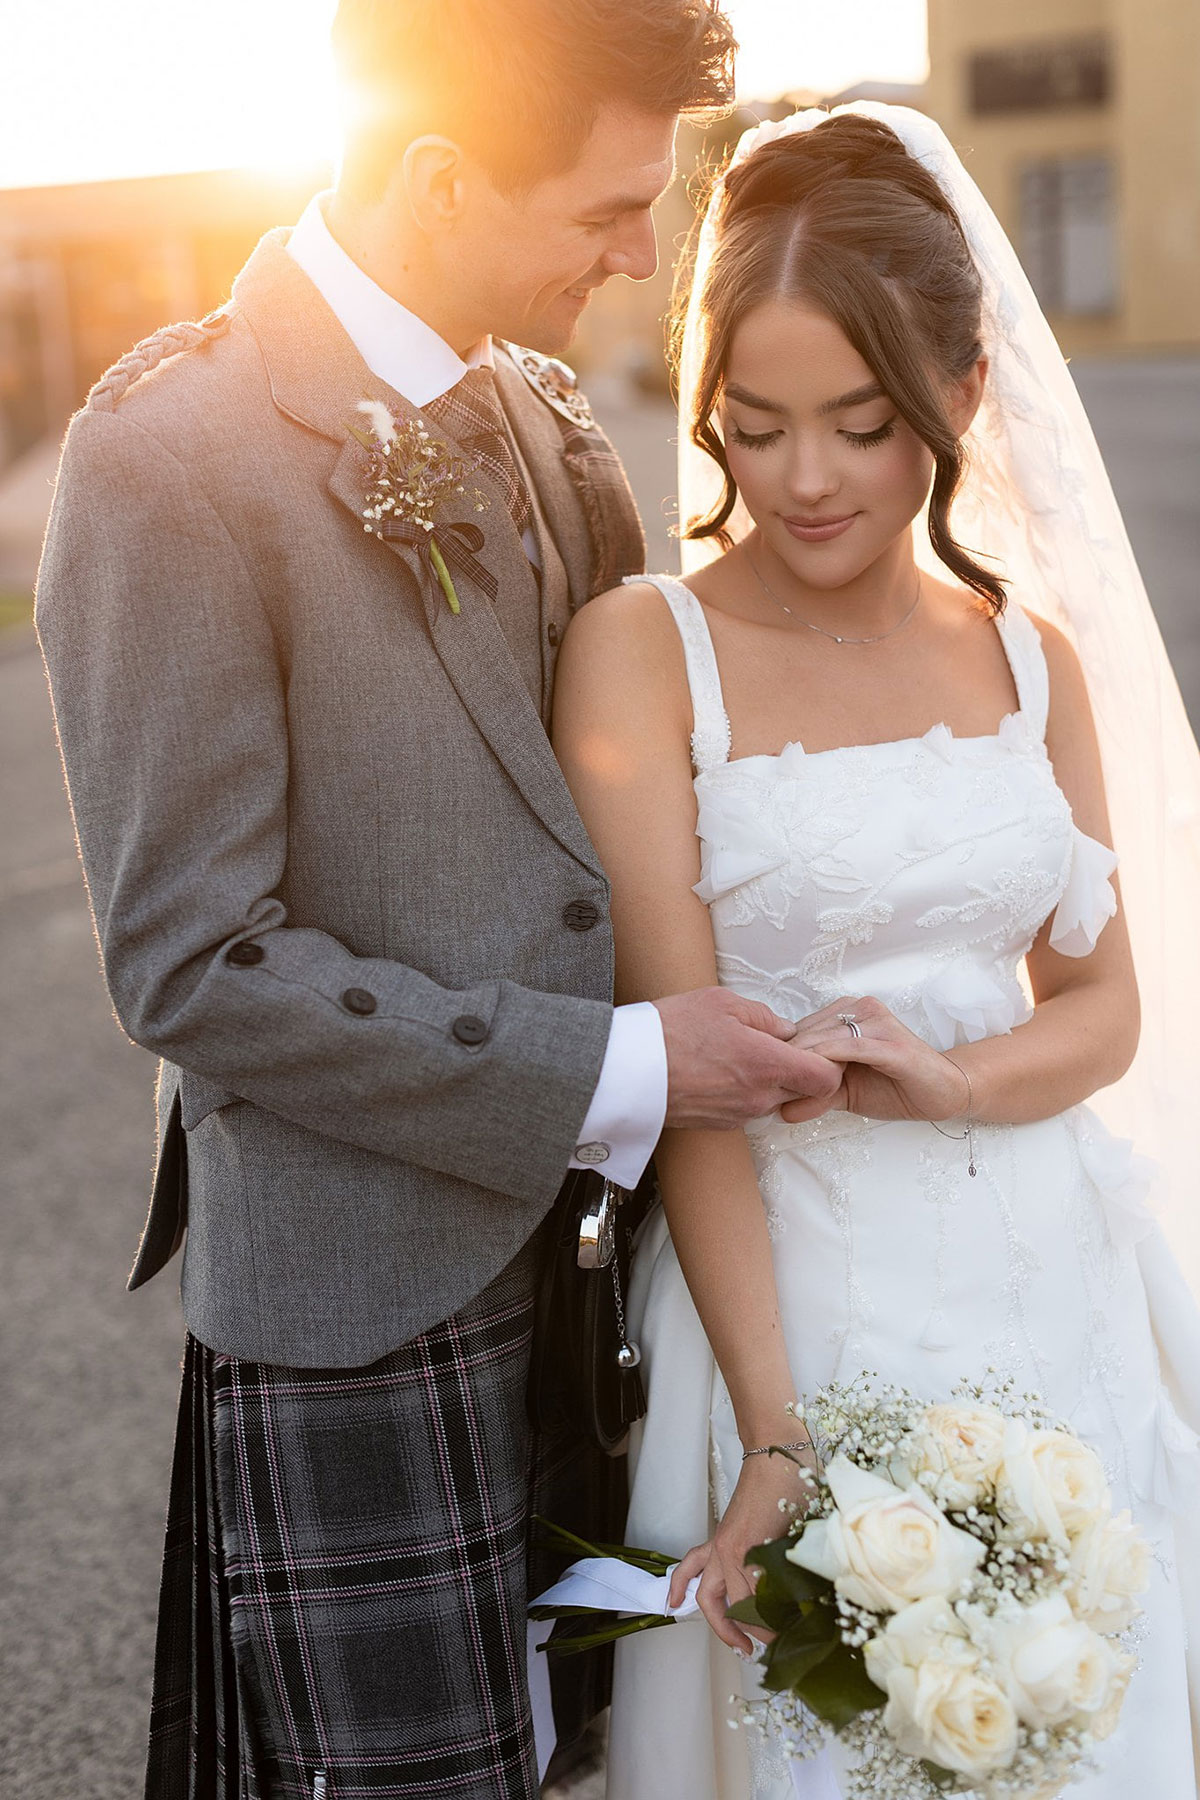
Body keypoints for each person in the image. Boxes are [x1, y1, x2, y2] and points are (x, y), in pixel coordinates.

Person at [34, 5, 851, 1795]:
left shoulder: (547, 416)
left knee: (591, 1755)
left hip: (586, 1282)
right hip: (360, 1311)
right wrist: (621, 1067)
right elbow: (194, 962)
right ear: (432, 172)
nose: (644, 255)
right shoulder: (165, 460)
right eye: (607, 209)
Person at [552, 106, 1200, 1798]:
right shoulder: (645, 652)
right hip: (787, 1295)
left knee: (1073, 1720)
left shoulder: (1031, 661)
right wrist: (777, 1430)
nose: (807, 478)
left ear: (963, 399)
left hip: (1051, 1274)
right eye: (753, 428)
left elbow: (1109, 1008)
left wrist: (954, 1080)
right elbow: (684, 1070)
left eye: (861, 422)